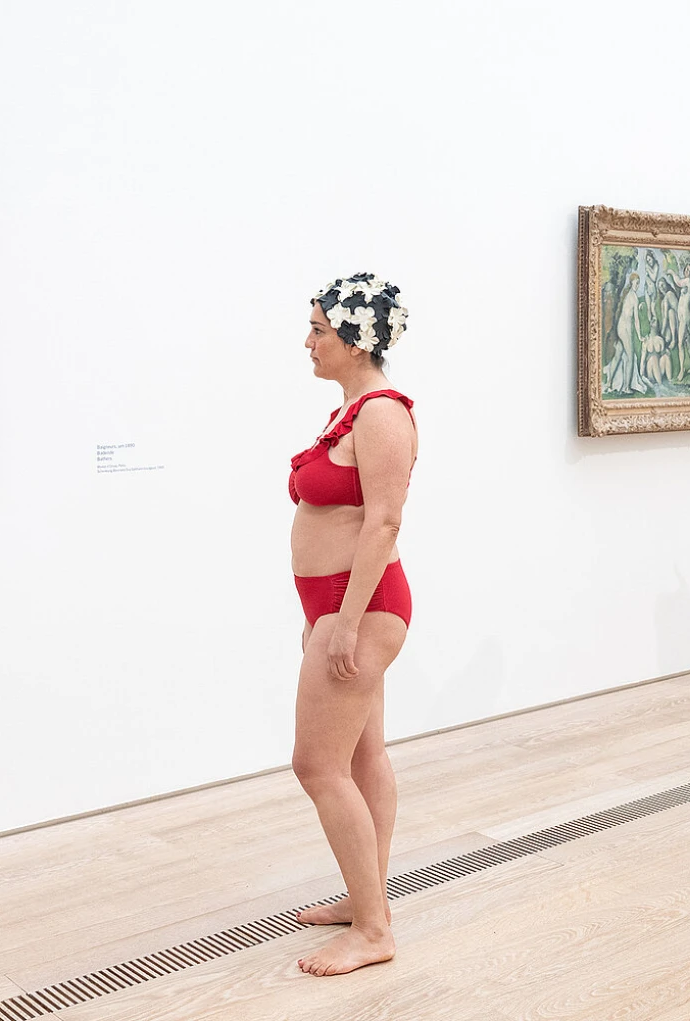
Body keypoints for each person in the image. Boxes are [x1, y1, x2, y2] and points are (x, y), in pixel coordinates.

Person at [286, 272, 415, 977]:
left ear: (357, 340)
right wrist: (322, 619)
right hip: (337, 607)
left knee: (317, 764)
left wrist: (345, 623)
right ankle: (368, 901)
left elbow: (384, 522)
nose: (308, 342)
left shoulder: (383, 415)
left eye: (319, 330)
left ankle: (372, 930)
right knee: (363, 757)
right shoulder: (351, 411)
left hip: (359, 607)